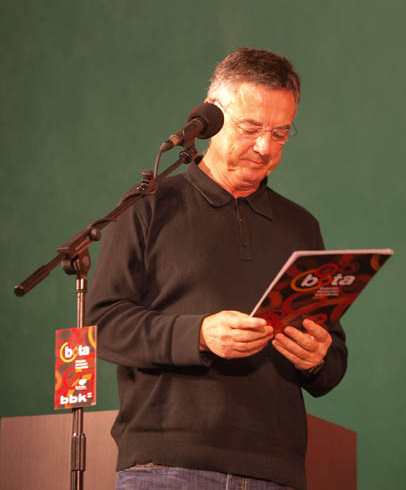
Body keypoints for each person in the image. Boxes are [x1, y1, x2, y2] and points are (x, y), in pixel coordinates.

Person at [86, 48, 348, 490]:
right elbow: (102, 325)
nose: (265, 147)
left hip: (276, 470)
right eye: (251, 129)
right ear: (212, 114)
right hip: (167, 465)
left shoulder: (302, 226)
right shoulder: (148, 208)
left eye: (280, 133)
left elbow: (332, 362)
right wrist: (200, 335)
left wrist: (318, 357)